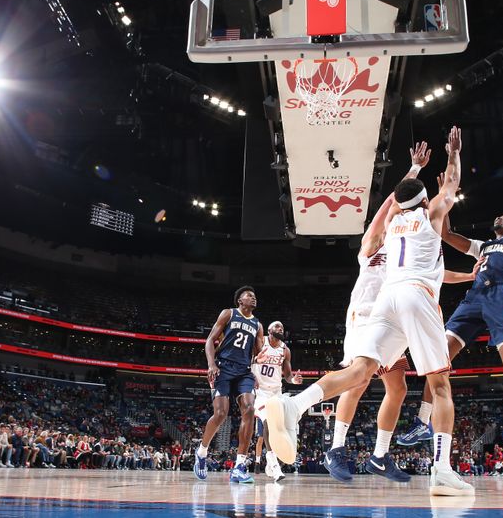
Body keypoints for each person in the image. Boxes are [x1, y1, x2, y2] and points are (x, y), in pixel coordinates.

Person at [267, 127, 475, 496]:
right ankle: (441, 470)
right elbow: (451, 184)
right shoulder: (429, 217)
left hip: (387, 300)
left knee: (363, 373)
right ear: (426, 201)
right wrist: (454, 153)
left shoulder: (393, 225)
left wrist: (413, 171)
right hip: (413, 298)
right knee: (439, 385)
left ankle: (294, 405)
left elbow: (392, 205)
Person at [322, 141, 479, 484]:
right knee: (359, 379)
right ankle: (335, 447)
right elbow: (390, 204)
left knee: (399, 389)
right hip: (367, 313)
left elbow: (434, 272)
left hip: (395, 314)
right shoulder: (373, 242)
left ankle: (379, 456)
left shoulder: (400, 241)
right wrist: (415, 171)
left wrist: (467, 276)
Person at [398, 158, 503, 473]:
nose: (501, 217)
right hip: (474, 299)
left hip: (502, 298)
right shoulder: (483, 247)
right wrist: (445, 198)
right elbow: (447, 234)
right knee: (438, 357)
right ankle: (422, 420)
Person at [193, 286, 265, 484]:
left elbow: (258, 354)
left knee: (249, 409)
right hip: (223, 368)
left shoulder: (258, 325)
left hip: (244, 371)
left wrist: (261, 360)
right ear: (240, 300)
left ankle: (240, 466)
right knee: (221, 414)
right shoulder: (228, 313)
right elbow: (210, 341)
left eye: (255, 296)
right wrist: (211, 364)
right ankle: (201, 452)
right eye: (249, 295)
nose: (253, 298)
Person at [251, 320, 303, 482]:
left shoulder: (285, 350)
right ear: (269, 330)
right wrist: (251, 374)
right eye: (277, 326)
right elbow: (248, 360)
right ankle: (274, 465)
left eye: (282, 327)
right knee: (268, 423)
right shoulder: (260, 342)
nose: (280, 328)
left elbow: (287, 375)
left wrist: (294, 380)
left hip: (276, 393)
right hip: (260, 393)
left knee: (280, 427)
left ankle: (271, 463)